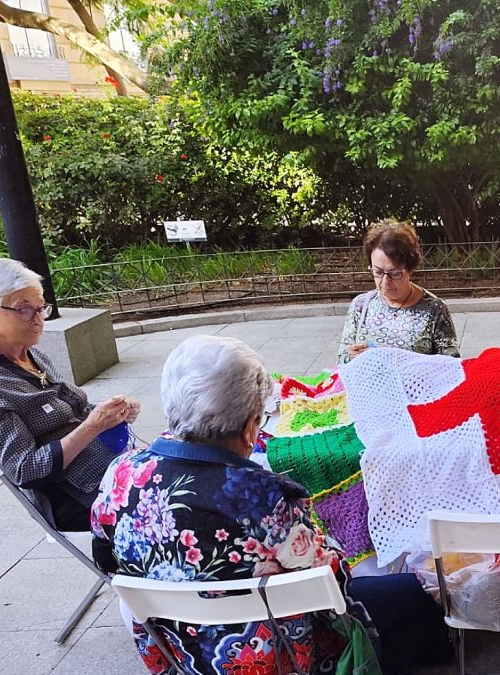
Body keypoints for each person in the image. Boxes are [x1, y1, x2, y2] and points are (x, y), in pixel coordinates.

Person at [92, 335, 450, 675]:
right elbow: (333, 582)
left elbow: (105, 555)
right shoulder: (268, 498)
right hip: (280, 655)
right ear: (251, 429)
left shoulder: (120, 474)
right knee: (411, 593)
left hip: (180, 651)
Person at [0, 258, 139, 531]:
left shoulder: (28, 352)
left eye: (41, 308)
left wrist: (111, 413)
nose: (38, 319)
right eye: (24, 309)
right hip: (75, 494)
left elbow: (70, 409)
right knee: (183, 497)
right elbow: (25, 469)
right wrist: (92, 426)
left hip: (110, 467)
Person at [338, 219, 459, 362]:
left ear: (410, 269)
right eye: (377, 272)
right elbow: (341, 359)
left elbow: (452, 364)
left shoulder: (434, 309)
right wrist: (350, 356)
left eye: (395, 273)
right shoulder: (361, 305)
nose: (385, 281)